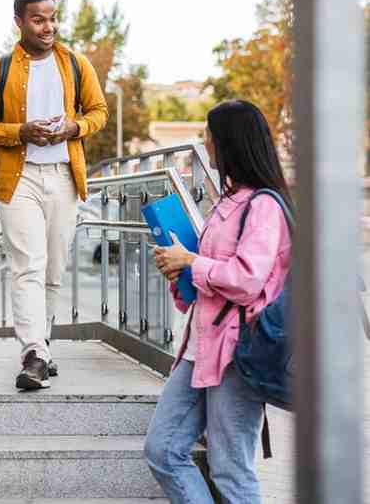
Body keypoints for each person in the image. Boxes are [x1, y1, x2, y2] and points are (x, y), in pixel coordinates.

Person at [145, 100, 293, 503]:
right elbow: (209, 273)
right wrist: (180, 270)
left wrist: (192, 262)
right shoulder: (228, 201)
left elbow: (247, 279)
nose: (205, 143)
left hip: (235, 355)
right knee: (162, 450)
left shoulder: (264, 206)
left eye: (209, 134)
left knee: (231, 470)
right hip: (198, 349)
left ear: (229, 141)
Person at [0, 0, 107, 389]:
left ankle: (42, 347)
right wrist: (20, 132)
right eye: (38, 19)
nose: (48, 27)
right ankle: (33, 354)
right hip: (19, 177)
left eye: (52, 18)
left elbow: (98, 112)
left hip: (64, 176)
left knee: (53, 270)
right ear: (19, 22)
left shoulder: (77, 65)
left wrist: (73, 127)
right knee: (27, 265)